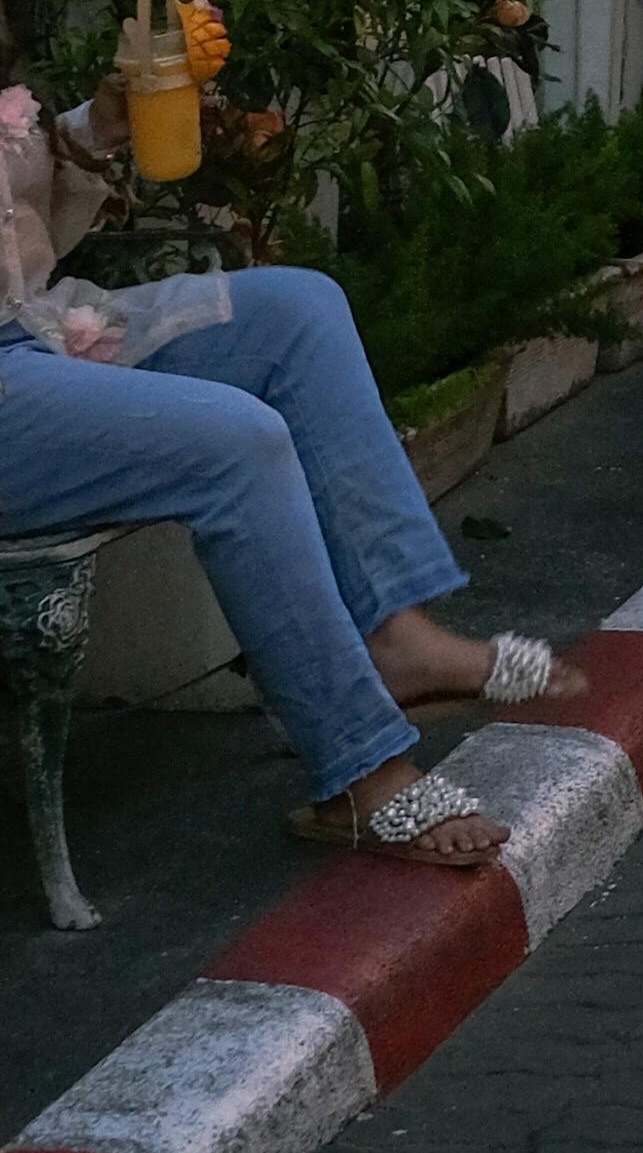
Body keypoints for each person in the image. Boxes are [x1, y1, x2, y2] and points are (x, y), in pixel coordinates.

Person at [0, 96, 557, 873]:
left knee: (299, 311)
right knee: (236, 442)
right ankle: (358, 769)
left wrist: (96, 128)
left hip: (28, 330)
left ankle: (395, 639)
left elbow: (22, 236)